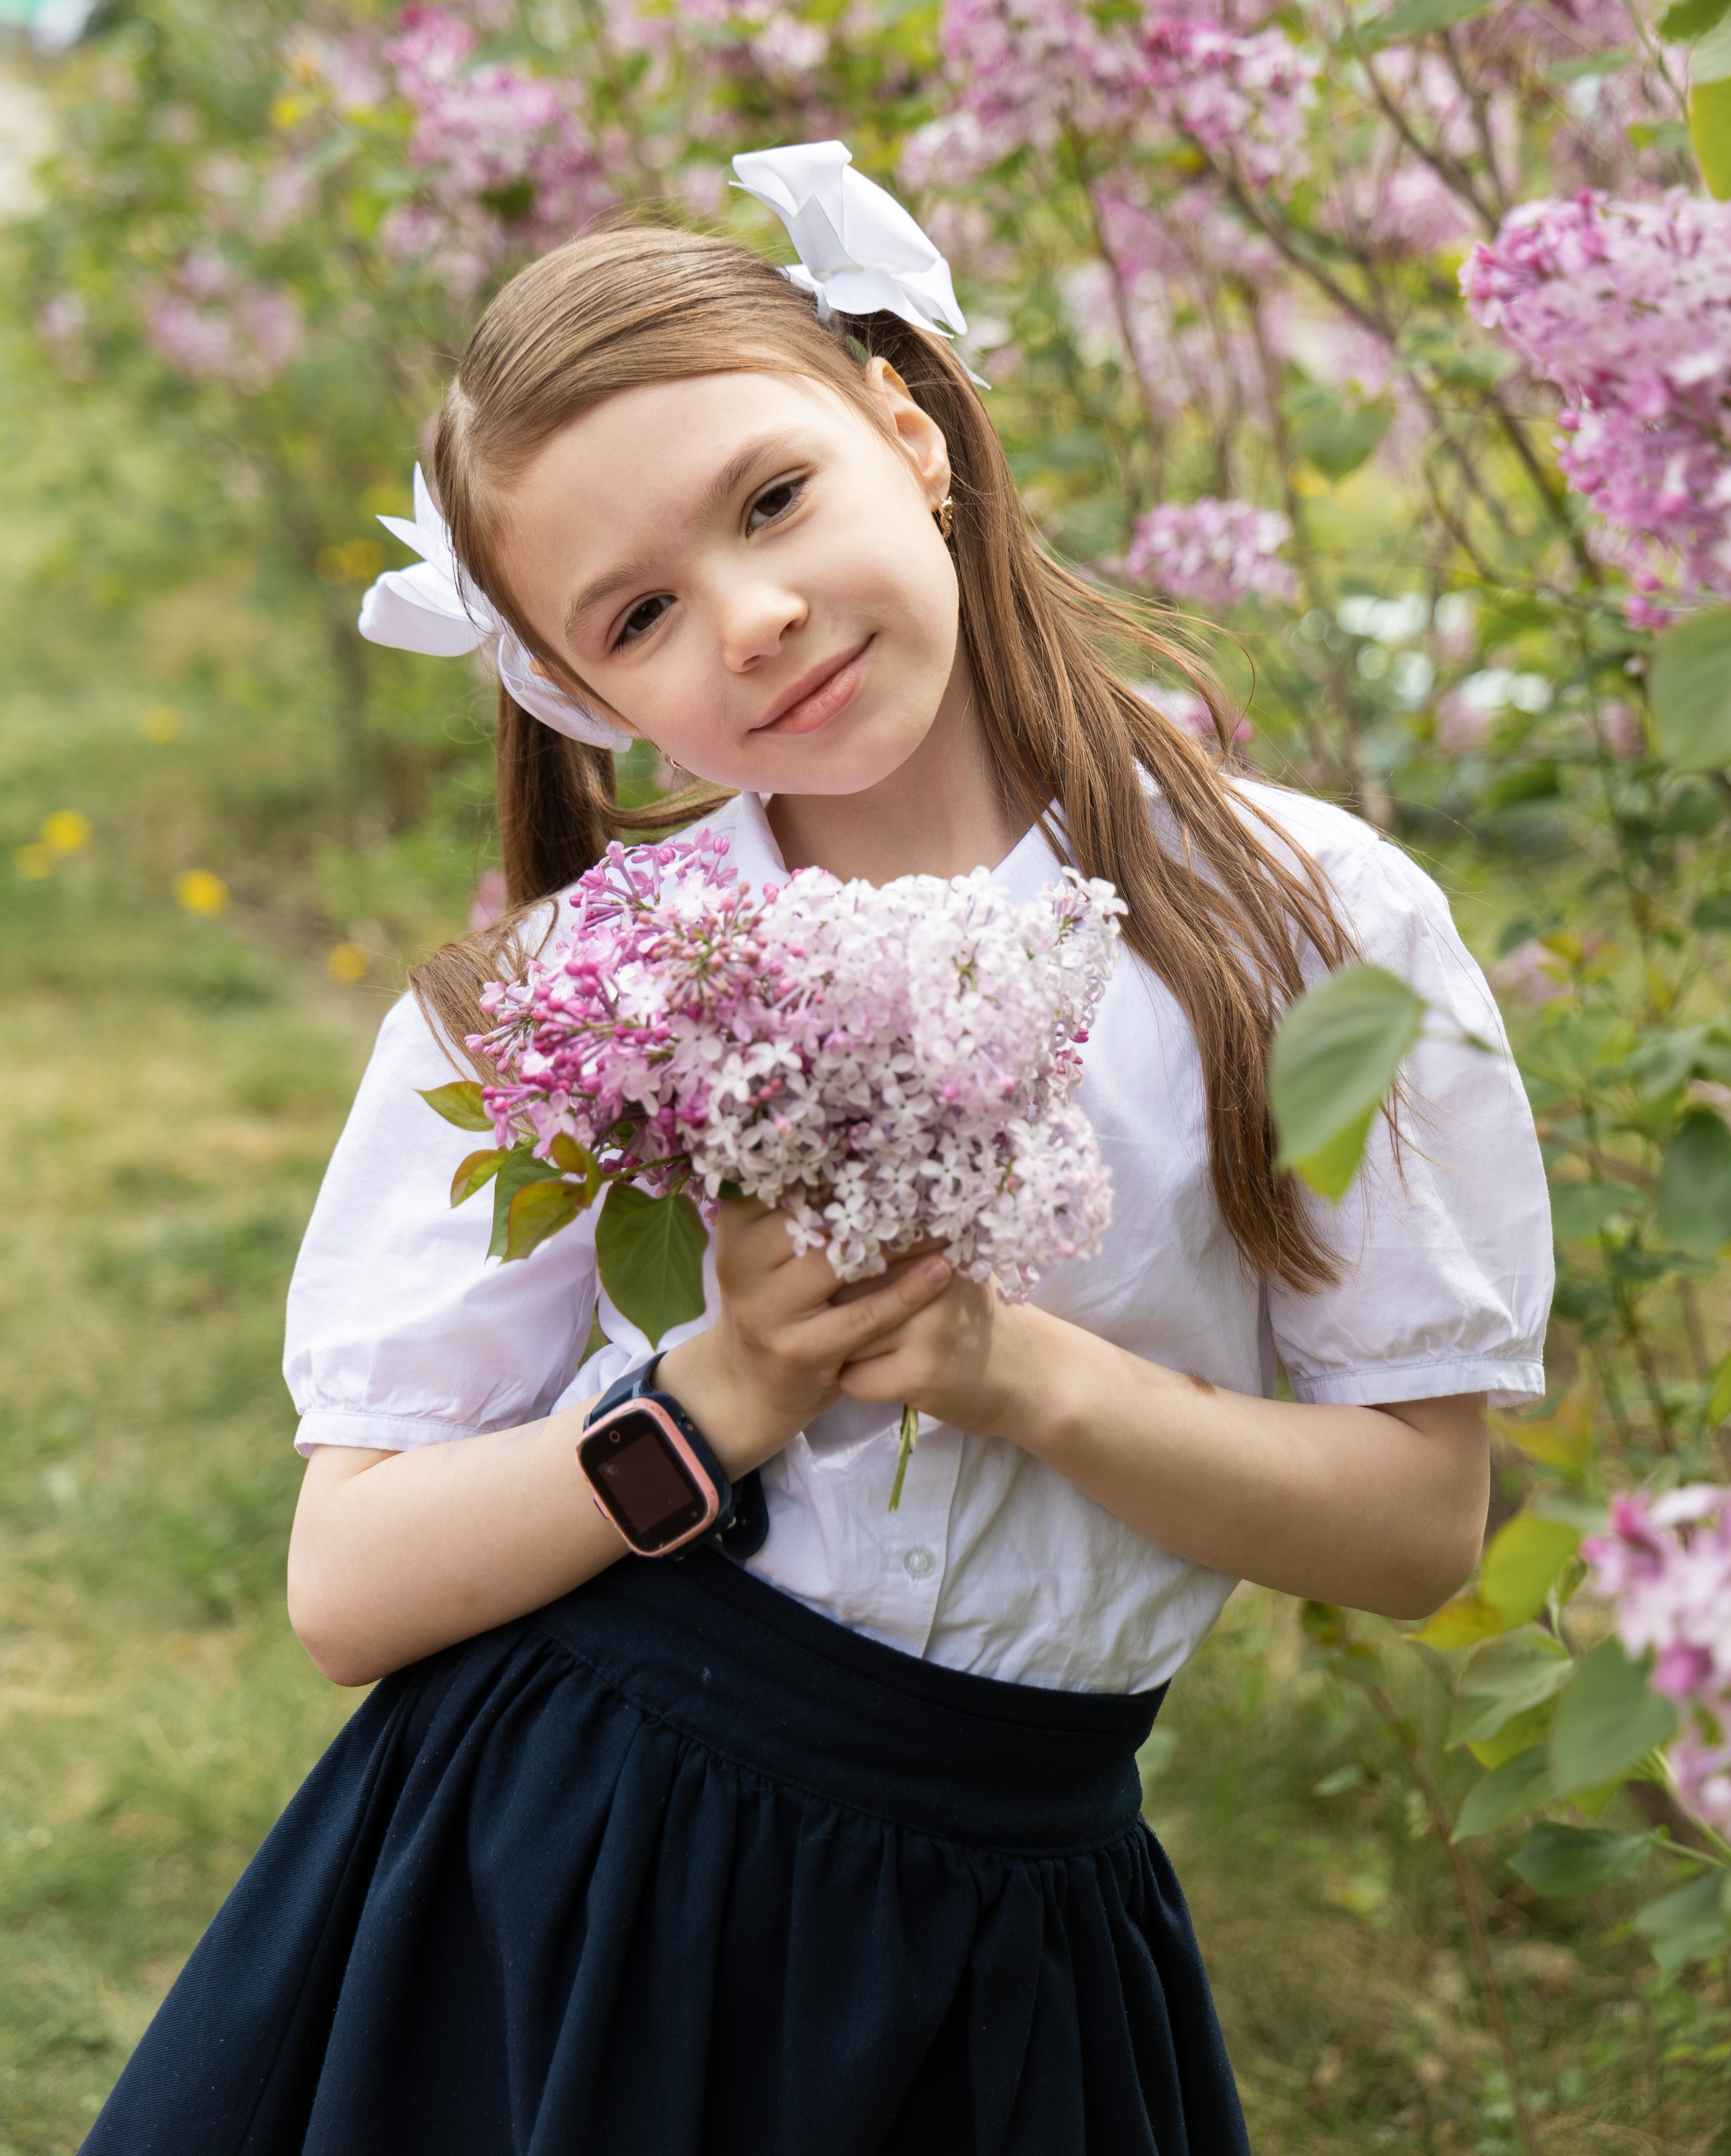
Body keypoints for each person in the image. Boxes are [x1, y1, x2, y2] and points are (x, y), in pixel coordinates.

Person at [84, 142, 1552, 2156]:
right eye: (641, 615)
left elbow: (1418, 1524)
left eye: (772, 499)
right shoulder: (583, 996)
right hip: (564, 1865)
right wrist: (727, 1390)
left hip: (1013, 1904)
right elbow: (347, 1584)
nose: (756, 619)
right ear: (581, 690)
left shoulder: (1307, 925)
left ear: (906, 430)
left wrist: (1018, 1376)